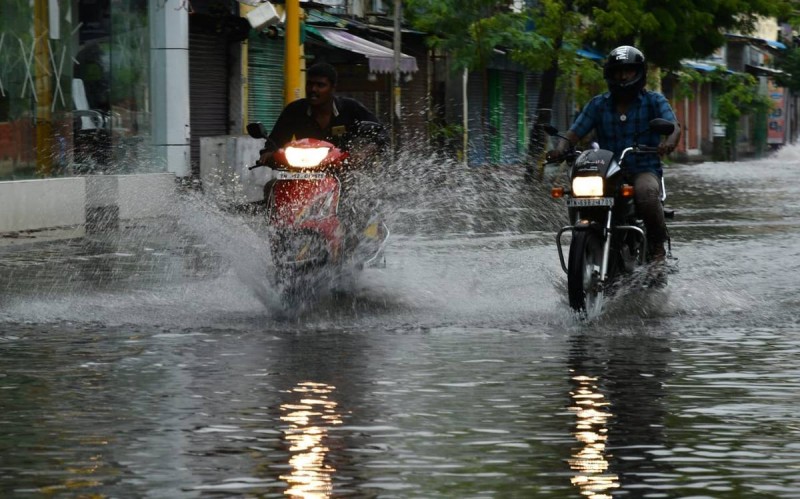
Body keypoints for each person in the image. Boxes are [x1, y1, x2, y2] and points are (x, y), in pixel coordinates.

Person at [546, 45, 681, 268]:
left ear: (640, 73)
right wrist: (561, 148)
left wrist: (668, 143)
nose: (623, 76)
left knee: (646, 193)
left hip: (643, 168)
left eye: (628, 71)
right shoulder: (598, 104)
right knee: (576, 189)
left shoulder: (654, 101)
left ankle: (657, 248)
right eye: (618, 71)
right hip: (607, 169)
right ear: (610, 74)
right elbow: (574, 133)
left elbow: (674, 127)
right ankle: (586, 241)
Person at [258, 62, 387, 165]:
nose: (313, 89)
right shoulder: (294, 110)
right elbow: (275, 141)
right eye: (310, 84)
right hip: (303, 174)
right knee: (271, 188)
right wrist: (269, 153)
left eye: (320, 85)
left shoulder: (350, 108)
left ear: (333, 88)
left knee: (358, 190)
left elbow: (380, 133)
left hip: (346, 173)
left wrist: (364, 152)